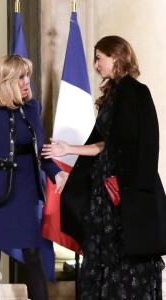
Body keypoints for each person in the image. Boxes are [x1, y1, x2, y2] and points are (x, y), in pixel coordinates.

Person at [42, 36, 166, 299]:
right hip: (106, 194)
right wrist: (69, 150)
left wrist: (128, 190)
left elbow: (142, 145)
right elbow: (104, 144)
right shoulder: (113, 94)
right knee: (102, 256)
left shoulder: (135, 91)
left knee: (124, 257)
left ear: (116, 57)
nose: (96, 65)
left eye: (99, 58)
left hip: (124, 195)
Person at [0, 54, 67, 300]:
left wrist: (56, 173)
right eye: (21, 76)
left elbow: (39, 151)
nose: (27, 81)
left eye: (27, 75)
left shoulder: (32, 107)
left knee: (33, 254)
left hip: (25, 190)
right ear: (6, 79)